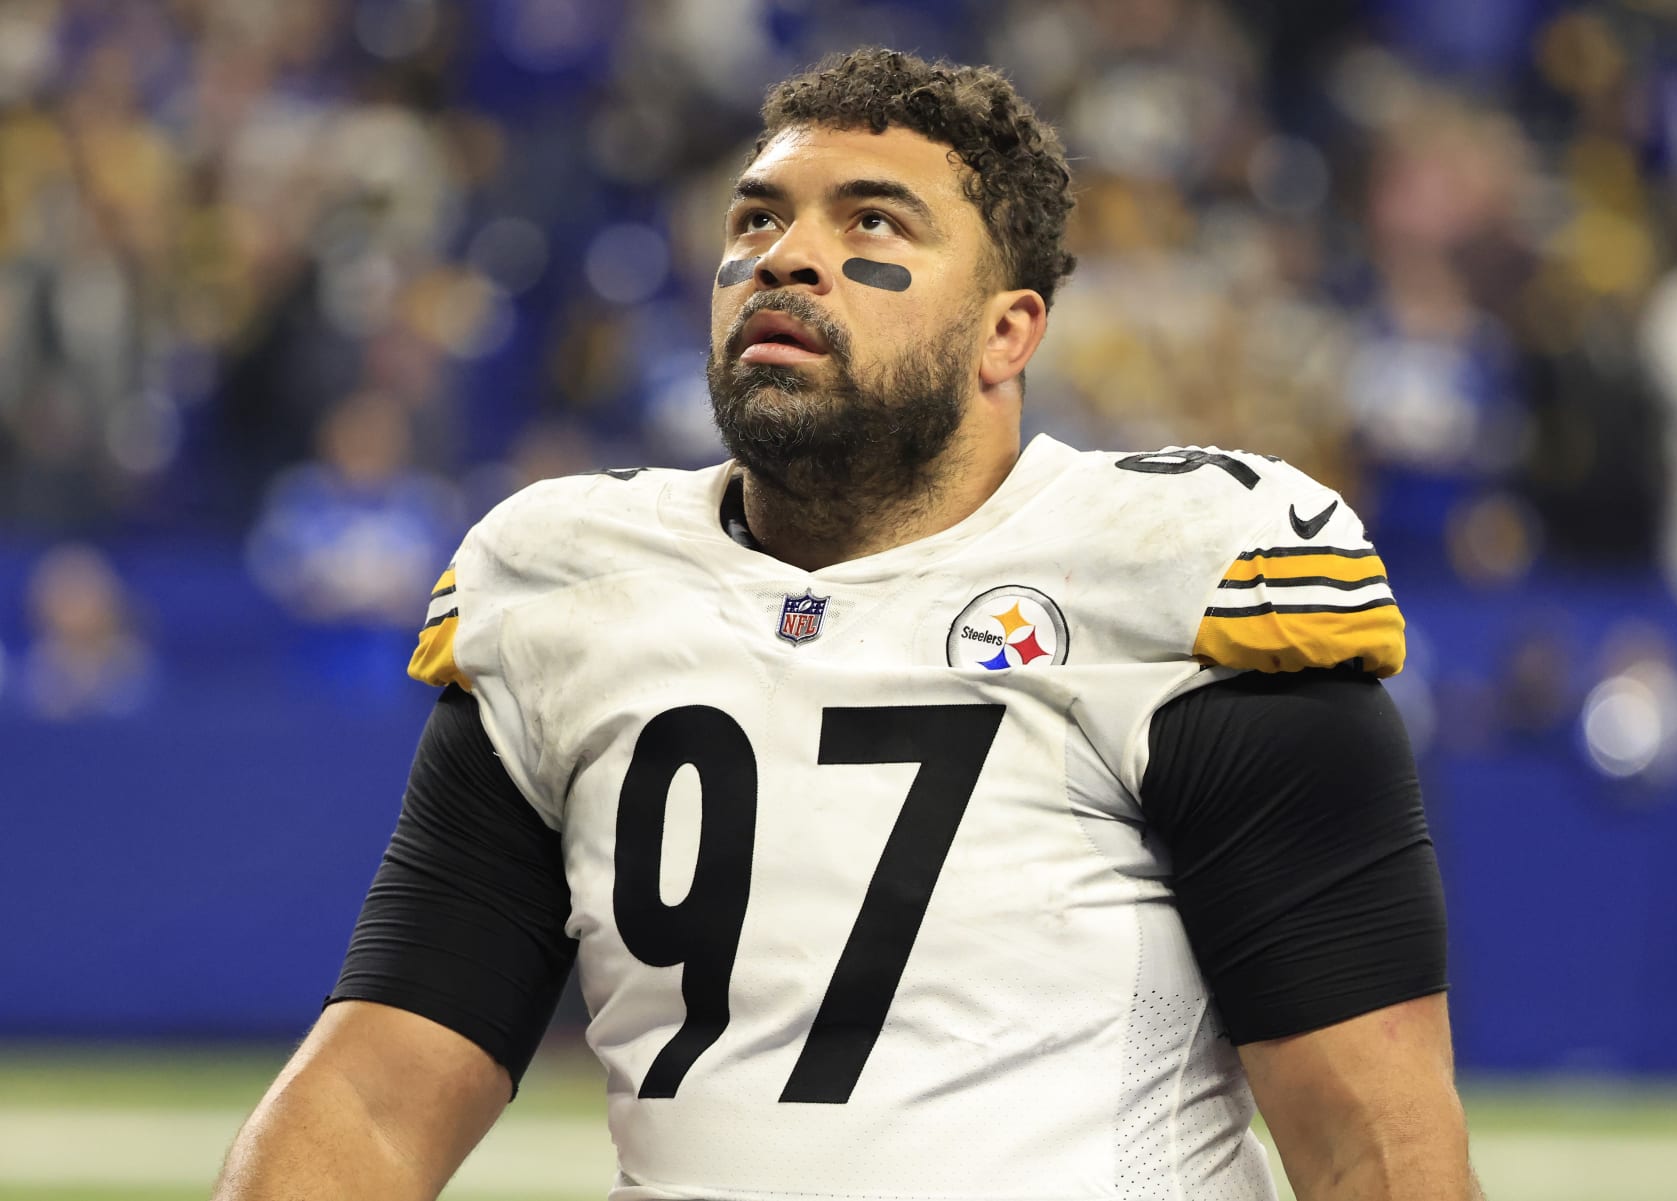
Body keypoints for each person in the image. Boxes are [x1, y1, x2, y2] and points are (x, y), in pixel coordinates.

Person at [215, 49, 1481, 1201]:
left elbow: (1374, 1146)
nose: (784, 256)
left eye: (871, 219)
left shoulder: (1176, 575)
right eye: (756, 219)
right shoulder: (569, 585)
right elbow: (376, 1100)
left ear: (1007, 332)